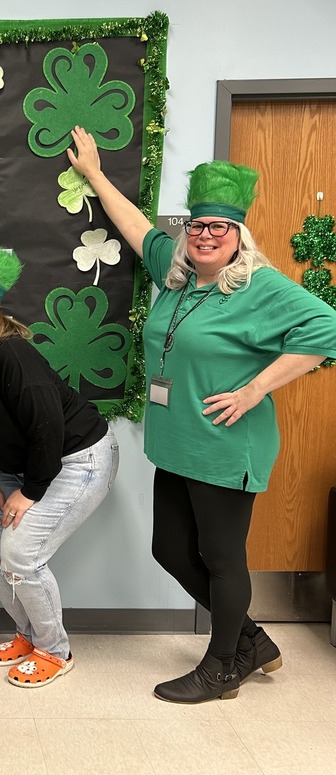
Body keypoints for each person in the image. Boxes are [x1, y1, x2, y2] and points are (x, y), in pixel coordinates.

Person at [67, 126, 336, 703]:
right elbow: (136, 227)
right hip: (177, 442)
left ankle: (222, 668)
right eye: (197, 226)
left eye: (219, 227)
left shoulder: (259, 287)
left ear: (239, 236)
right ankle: (251, 641)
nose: (206, 235)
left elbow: (328, 327)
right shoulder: (177, 276)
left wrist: (256, 389)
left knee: (220, 558)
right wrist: (94, 174)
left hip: (224, 443)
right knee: (170, 549)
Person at [0, 242, 118, 687]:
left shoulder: (13, 355)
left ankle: (55, 650)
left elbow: (46, 427)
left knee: (20, 555)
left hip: (77, 460)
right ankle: (29, 635)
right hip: (20, 471)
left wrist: (31, 490)